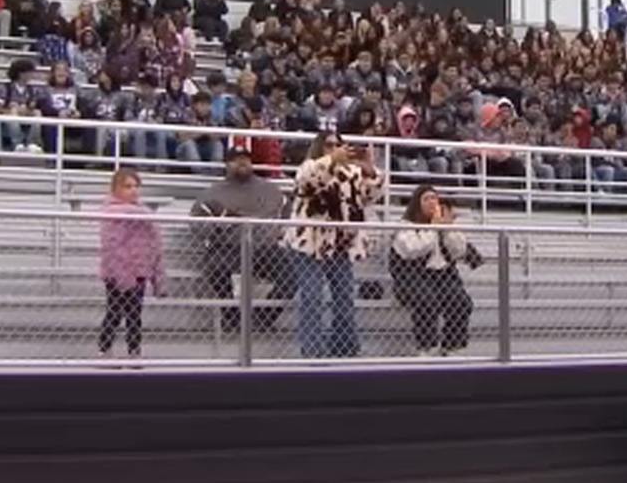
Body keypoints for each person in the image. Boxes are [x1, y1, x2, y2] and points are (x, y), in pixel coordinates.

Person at [282, 132, 384, 358]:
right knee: (312, 297)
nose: (335, 148)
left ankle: (344, 349)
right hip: (310, 244)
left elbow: (372, 196)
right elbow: (305, 182)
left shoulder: (352, 173)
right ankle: (312, 352)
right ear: (320, 147)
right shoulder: (310, 166)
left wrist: (370, 172)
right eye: (329, 145)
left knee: (345, 298)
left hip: (340, 244)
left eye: (339, 145)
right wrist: (331, 161)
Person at [189, 145, 289, 334]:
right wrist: (217, 226)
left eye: (246, 158)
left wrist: (282, 227)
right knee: (215, 269)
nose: (242, 162)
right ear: (227, 164)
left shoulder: (269, 189)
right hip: (228, 247)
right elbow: (195, 222)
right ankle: (232, 317)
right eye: (236, 159)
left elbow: (286, 207)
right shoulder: (213, 192)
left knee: (293, 274)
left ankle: (262, 319)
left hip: (264, 249)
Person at [390, 185, 478, 357]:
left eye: (434, 198)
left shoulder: (444, 225)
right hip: (411, 276)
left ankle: (451, 346)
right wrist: (432, 229)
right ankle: (426, 347)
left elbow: (459, 251)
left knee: (461, 302)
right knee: (426, 300)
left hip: (443, 276)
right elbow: (411, 249)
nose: (432, 202)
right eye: (427, 199)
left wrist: (448, 229)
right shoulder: (405, 225)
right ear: (417, 203)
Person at [97, 169, 163, 359]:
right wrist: (121, 273)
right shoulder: (111, 213)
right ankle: (104, 348)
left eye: (136, 186)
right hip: (115, 272)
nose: (133, 190)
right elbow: (112, 245)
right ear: (115, 189)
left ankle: (134, 350)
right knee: (114, 312)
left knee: (135, 314)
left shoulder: (144, 214)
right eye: (127, 186)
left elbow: (152, 243)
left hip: (139, 270)